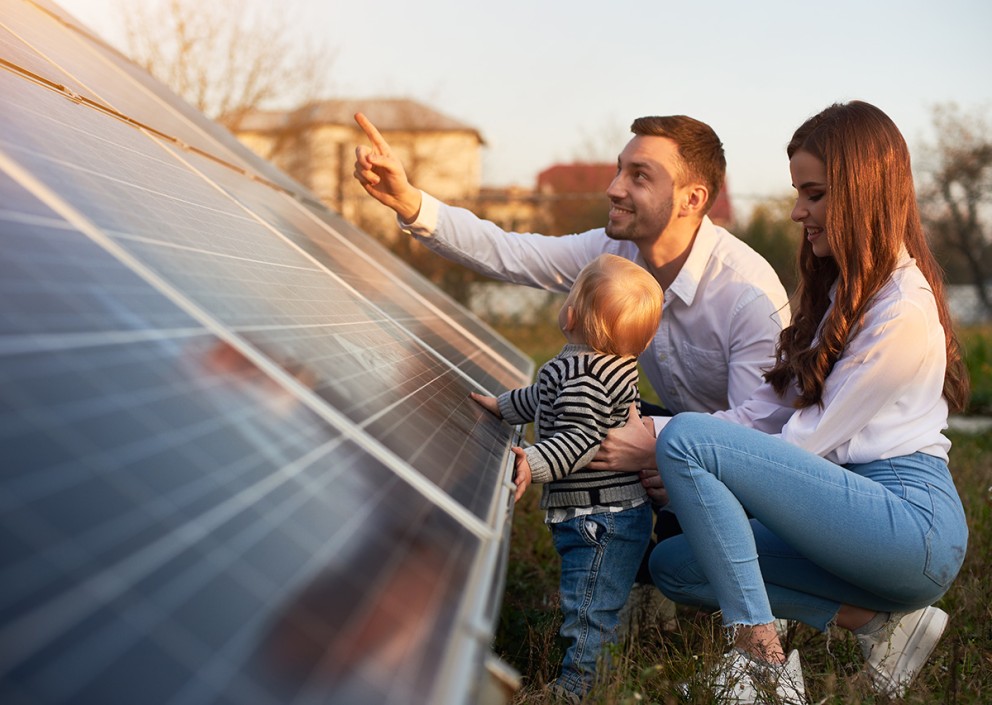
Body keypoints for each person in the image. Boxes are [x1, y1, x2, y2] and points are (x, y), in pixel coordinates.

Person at [353, 111, 791, 590]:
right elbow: (510, 252)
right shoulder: (611, 256)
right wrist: (410, 202)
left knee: (664, 494)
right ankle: (612, 566)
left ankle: (764, 587)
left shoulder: (748, 293)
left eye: (639, 176)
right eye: (619, 169)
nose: (615, 187)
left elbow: (764, 428)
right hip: (672, 445)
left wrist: (663, 444)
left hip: (749, 470)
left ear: (693, 198)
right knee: (585, 414)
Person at [648, 100, 970, 703]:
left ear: (863, 191)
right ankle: (884, 627)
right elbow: (774, 409)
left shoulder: (901, 309)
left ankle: (763, 663)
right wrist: (670, 450)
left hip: (909, 526)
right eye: (801, 193)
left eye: (815, 194)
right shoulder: (847, 294)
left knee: (687, 439)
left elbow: (808, 443)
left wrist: (685, 456)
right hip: (847, 516)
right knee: (679, 565)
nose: (800, 211)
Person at [469, 253, 663, 699]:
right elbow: (541, 396)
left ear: (571, 313)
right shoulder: (594, 366)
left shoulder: (584, 376)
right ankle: (595, 670)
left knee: (589, 607)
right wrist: (503, 406)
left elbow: (579, 439)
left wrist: (532, 462)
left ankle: (578, 689)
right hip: (608, 515)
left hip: (599, 519)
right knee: (593, 597)